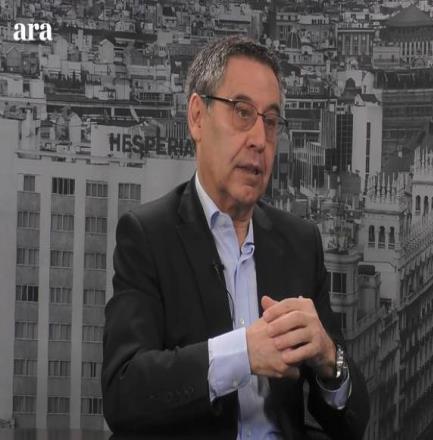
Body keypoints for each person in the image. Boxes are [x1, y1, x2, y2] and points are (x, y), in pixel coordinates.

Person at [102, 36, 369, 440]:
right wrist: (243, 353)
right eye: (242, 113)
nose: (259, 139)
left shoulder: (300, 242)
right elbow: (124, 393)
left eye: (271, 121)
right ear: (197, 117)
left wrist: (329, 360)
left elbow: (351, 424)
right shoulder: (148, 237)